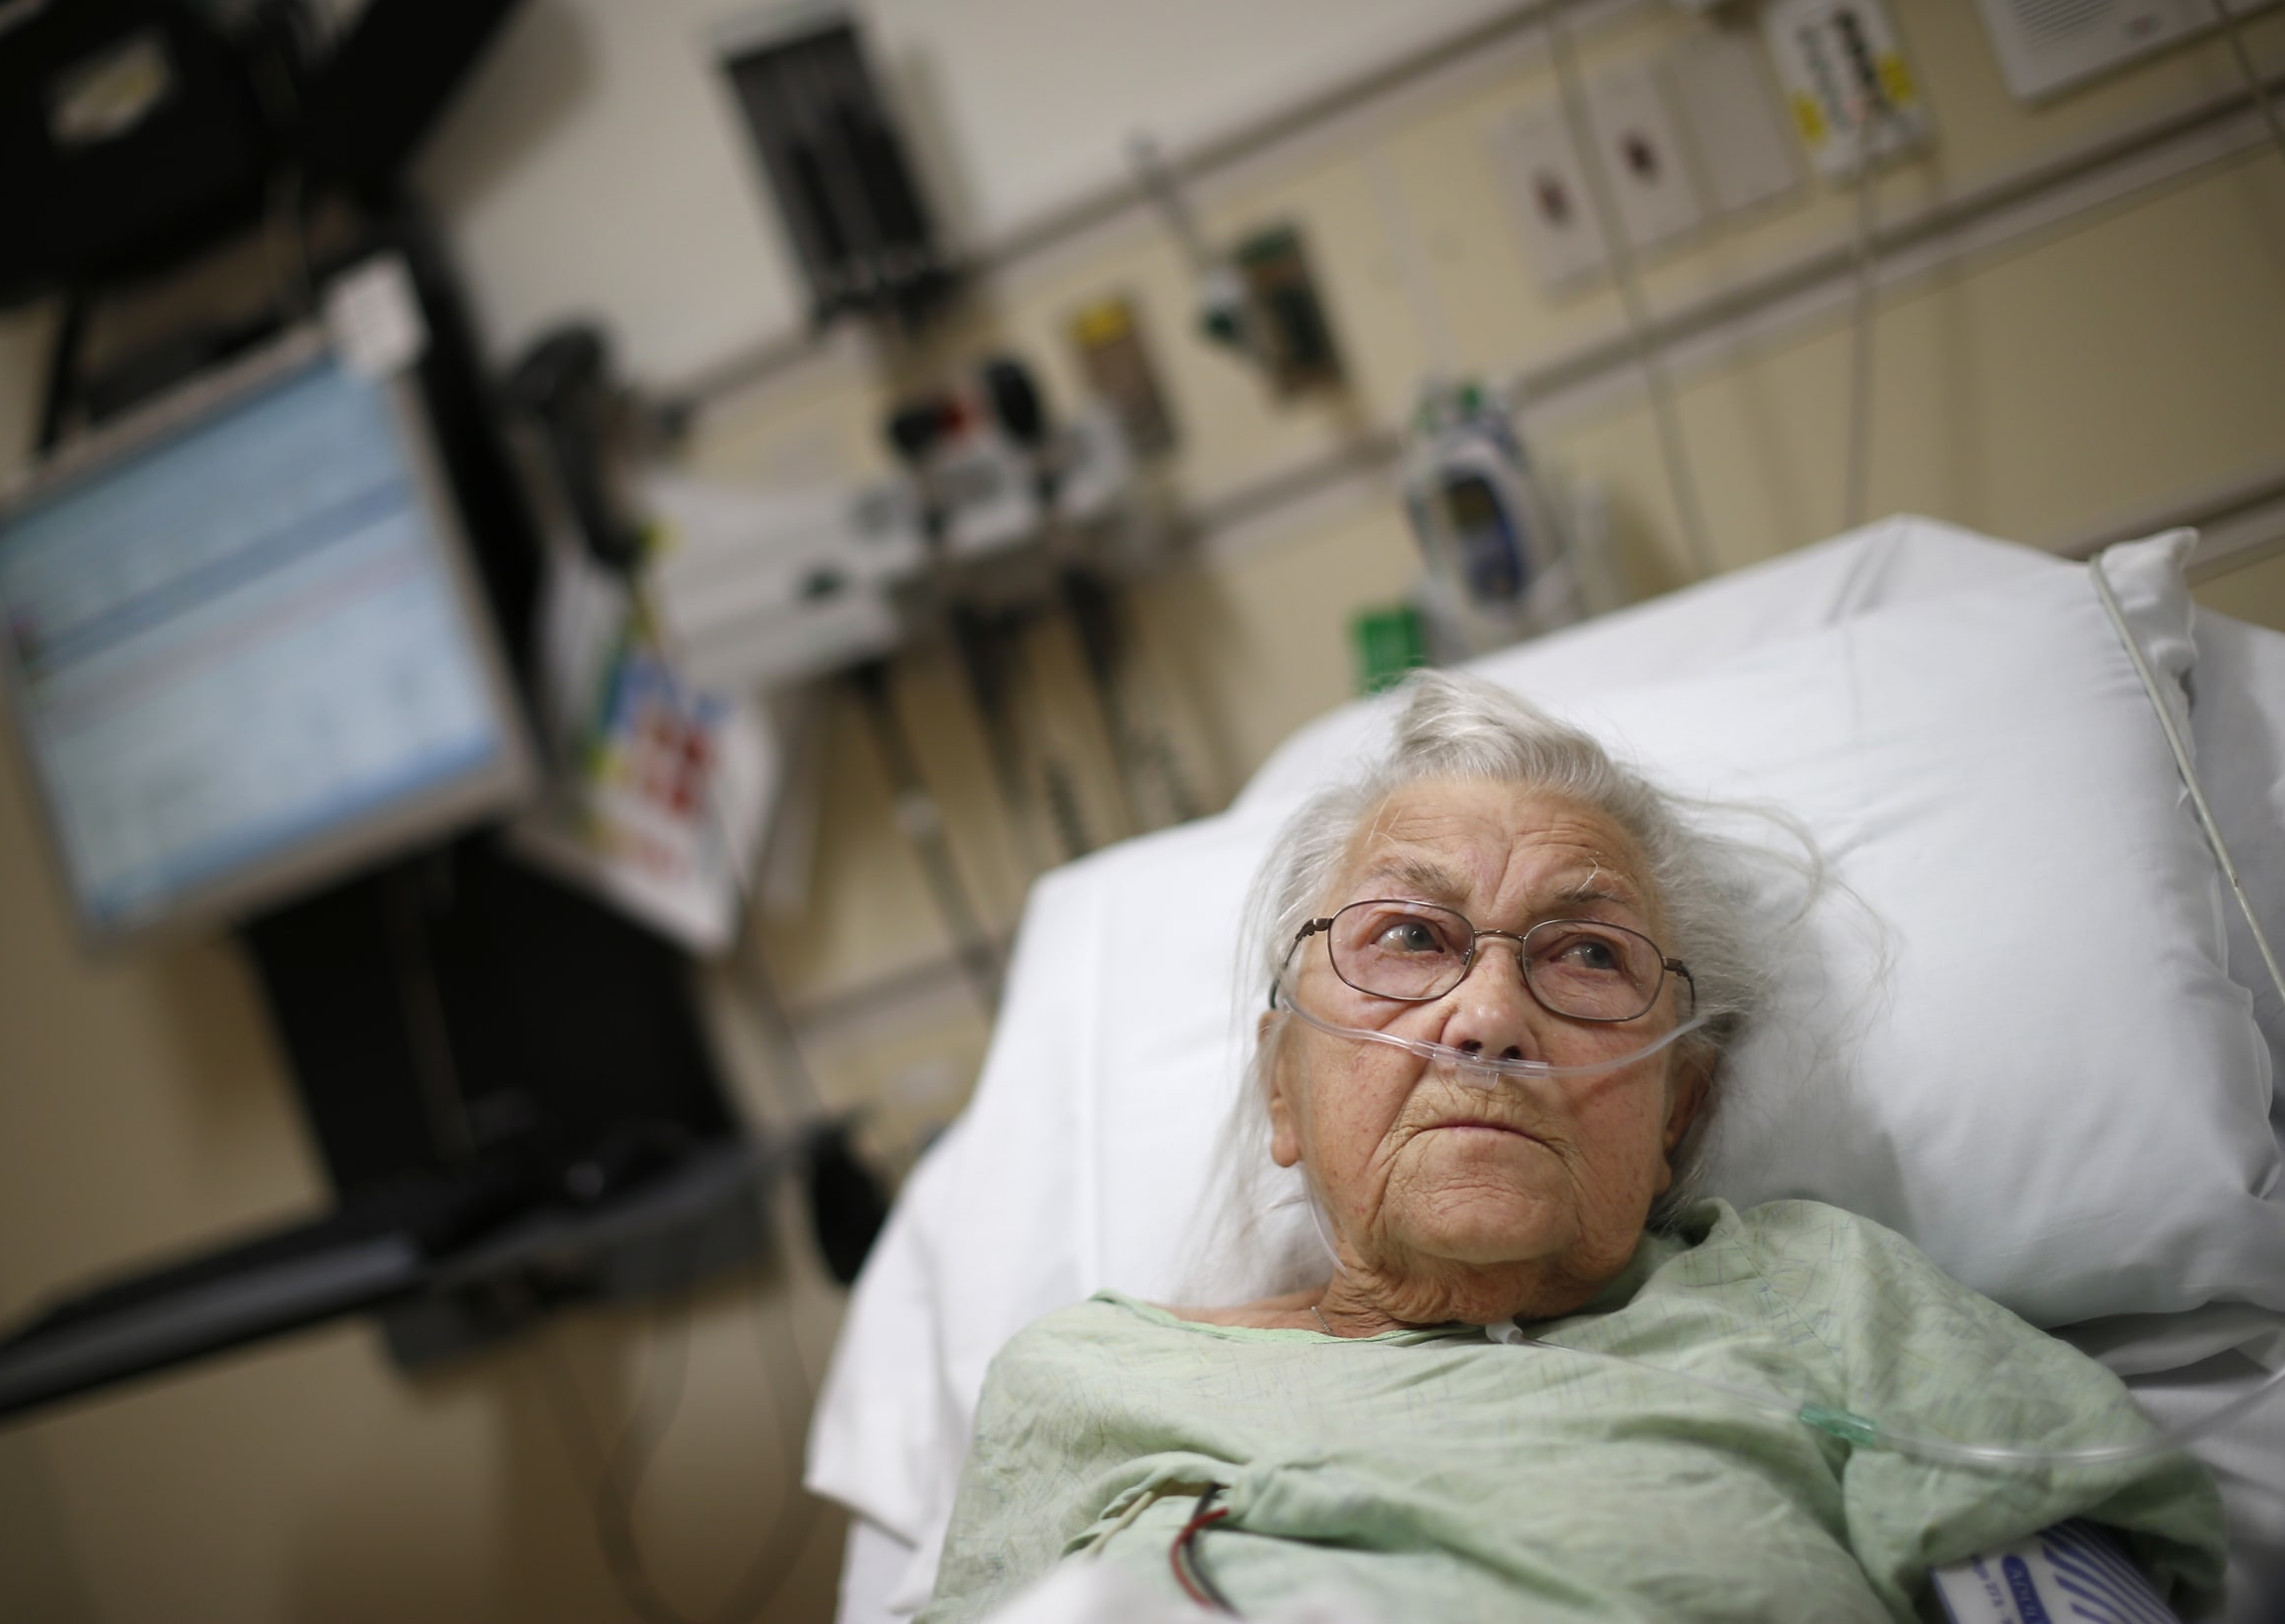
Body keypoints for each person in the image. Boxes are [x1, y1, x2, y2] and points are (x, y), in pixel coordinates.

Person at [919, 674, 2224, 1623]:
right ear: (1283, 1088)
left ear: (1679, 1115)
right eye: (1412, 937)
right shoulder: (1087, 1381)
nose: (1487, 1016)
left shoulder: (1820, 1303)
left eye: (1586, 954)